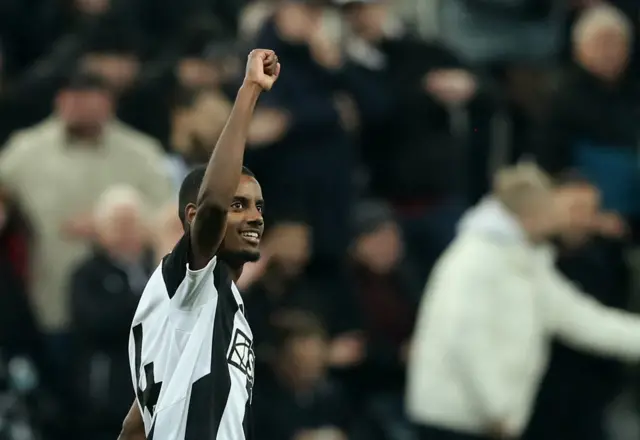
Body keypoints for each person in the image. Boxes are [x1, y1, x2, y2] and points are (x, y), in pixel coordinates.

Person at [406, 162, 640, 440]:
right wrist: (497, 410)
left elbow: (584, 319)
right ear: (531, 213)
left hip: (490, 422)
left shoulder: (529, 263)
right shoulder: (475, 259)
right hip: (456, 421)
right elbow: (467, 338)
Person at [118, 48, 280, 440]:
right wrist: (250, 90)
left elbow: (135, 426)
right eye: (238, 205)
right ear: (192, 218)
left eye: (258, 206)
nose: (255, 216)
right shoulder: (191, 281)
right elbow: (212, 205)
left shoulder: (196, 305)